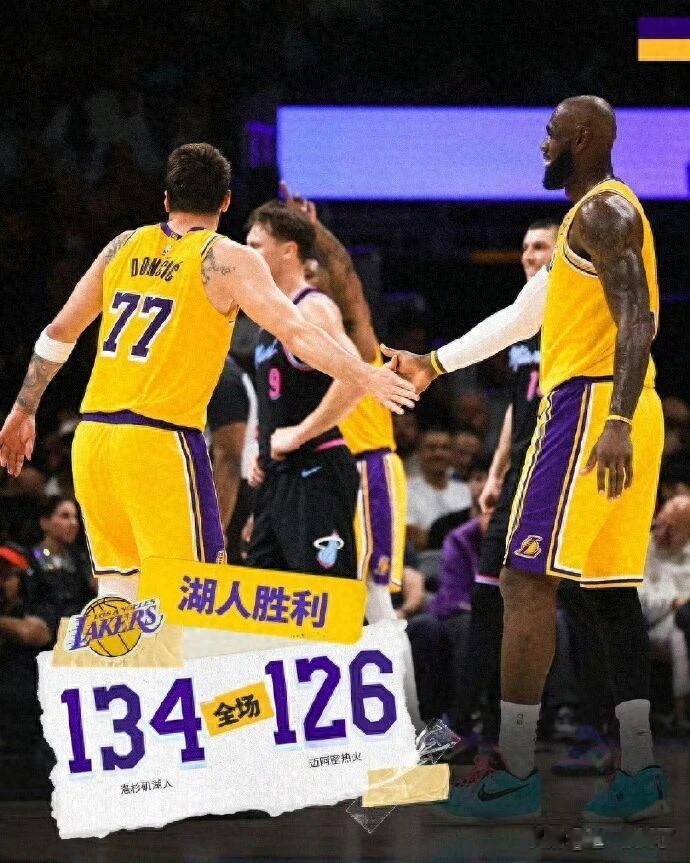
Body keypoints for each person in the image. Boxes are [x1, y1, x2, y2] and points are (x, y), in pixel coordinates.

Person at [386, 97, 667, 821]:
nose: (542, 145)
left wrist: (614, 419)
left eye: (550, 134)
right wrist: (433, 363)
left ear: (579, 137)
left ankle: (513, 769)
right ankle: (639, 769)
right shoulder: (585, 224)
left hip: (593, 405)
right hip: (615, 406)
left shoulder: (606, 212)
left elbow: (639, 321)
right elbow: (521, 316)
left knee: (522, 578)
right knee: (606, 593)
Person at [0, 143, 417, 603]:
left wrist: (24, 408)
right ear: (226, 201)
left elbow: (58, 333)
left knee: (119, 594)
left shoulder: (122, 246)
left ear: (166, 199)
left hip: (94, 440)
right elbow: (297, 333)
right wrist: (366, 375)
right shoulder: (226, 257)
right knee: (189, 599)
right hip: (159, 441)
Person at [282, 187, 424, 728]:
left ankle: (412, 729)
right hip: (323, 478)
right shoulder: (297, 346)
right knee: (323, 606)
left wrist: (312, 231)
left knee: (376, 604)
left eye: (313, 274)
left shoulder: (358, 339)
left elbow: (346, 278)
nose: (308, 283)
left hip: (369, 469)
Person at [244, 201, 361, 579]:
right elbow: (277, 398)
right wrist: (261, 448)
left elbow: (356, 377)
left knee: (325, 597)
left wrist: (298, 434)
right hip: (278, 476)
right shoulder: (269, 317)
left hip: (318, 468)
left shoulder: (312, 309)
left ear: (288, 250)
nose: (247, 253)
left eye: (256, 245)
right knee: (264, 594)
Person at [639, 496, 690, 731]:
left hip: (678, 622)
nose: (661, 533)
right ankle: (681, 711)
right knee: (680, 637)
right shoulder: (643, 548)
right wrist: (673, 601)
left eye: (671, 528)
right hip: (650, 624)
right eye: (659, 524)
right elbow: (639, 601)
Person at [31, 496, 95, 624]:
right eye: (65, 516)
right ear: (44, 523)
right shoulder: (30, 559)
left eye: (75, 517)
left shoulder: (82, 560)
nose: (74, 523)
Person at [406, 427, 472, 551]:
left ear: (453, 454)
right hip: (426, 558)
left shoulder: (466, 491)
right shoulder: (406, 491)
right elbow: (416, 539)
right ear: (419, 453)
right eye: (431, 448)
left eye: (445, 448)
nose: (438, 453)